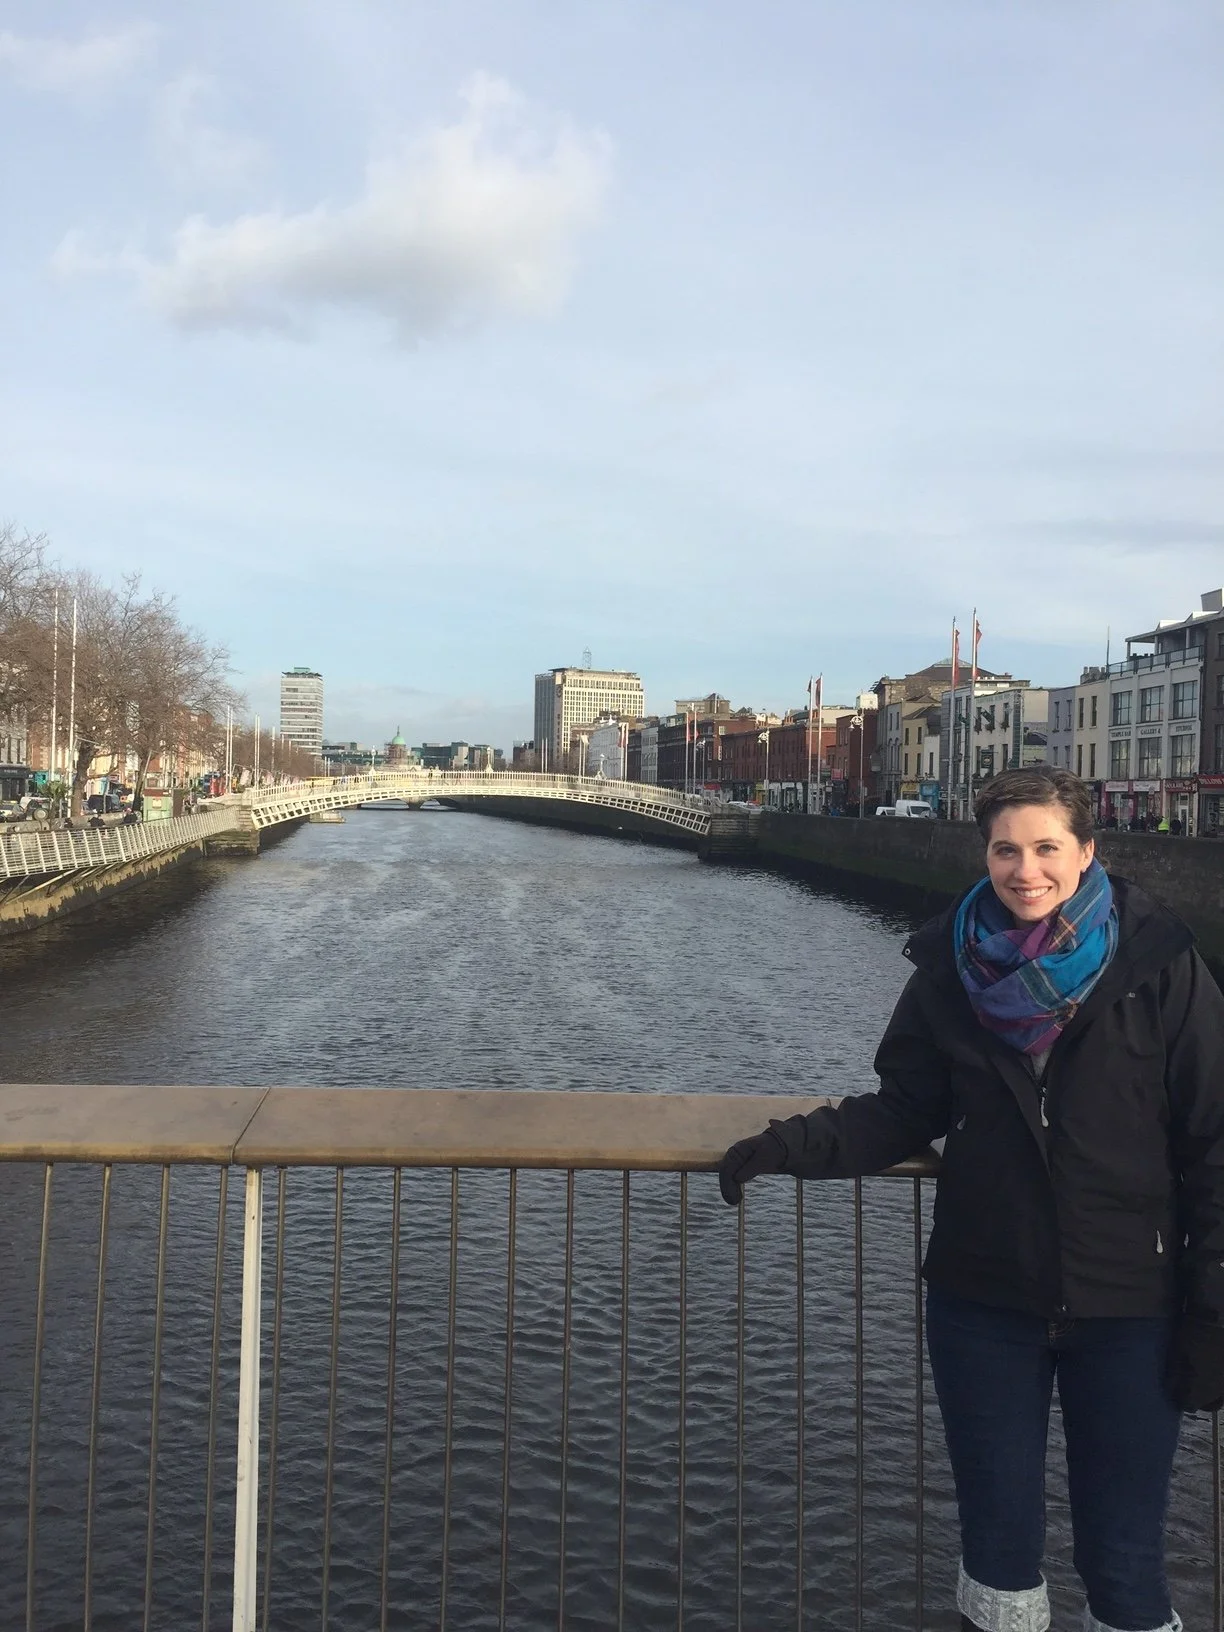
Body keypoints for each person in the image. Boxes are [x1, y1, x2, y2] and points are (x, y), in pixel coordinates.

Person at [719, 766, 1224, 1632]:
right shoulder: (949, 970)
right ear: (983, 855)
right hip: (985, 1298)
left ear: (1086, 852)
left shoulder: (1158, 966)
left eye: (1045, 848)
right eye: (1005, 850)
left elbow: (1215, 1137)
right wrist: (787, 1146)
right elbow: (905, 1107)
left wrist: (1212, 1307)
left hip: (1131, 1306)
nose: (1025, 870)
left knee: (1125, 1558)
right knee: (996, 1552)